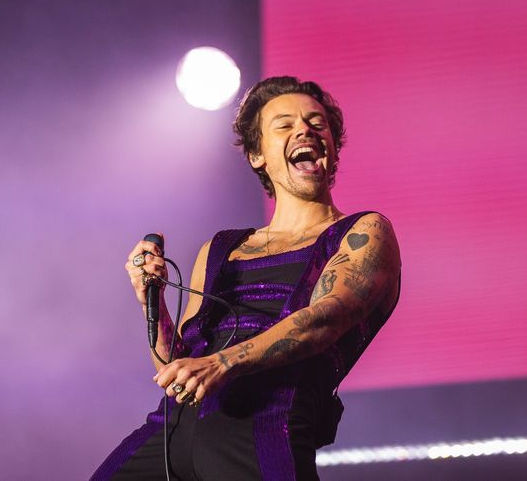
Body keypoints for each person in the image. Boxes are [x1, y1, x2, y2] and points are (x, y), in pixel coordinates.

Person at [92, 76, 401, 480]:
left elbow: (323, 321)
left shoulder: (363, 232)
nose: (304, 130)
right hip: (170, 433)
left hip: (263, 433)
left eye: (316, 123)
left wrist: (221, 364)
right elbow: (176, 366)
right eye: (285, 125)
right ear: (257, 154)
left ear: (332, 148)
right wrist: (152, 303)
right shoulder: (220, 248)